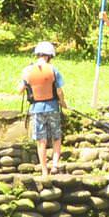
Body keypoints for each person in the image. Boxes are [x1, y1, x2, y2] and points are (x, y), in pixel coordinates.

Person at [20, 42, 67, 175]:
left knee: (41, 141)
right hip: (52, 107)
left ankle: (44, 170)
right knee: (56, 137)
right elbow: (59, 91)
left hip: (36, 109)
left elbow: (20, 89)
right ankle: (55, 165)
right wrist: (63, 103)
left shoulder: (28, 70)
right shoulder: (53, 69)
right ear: (50, 56)